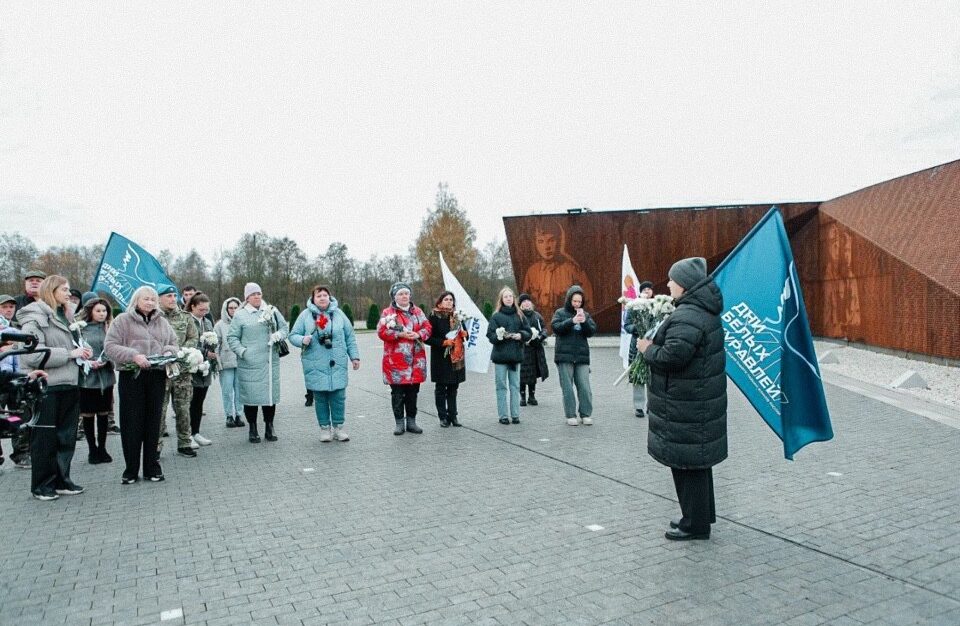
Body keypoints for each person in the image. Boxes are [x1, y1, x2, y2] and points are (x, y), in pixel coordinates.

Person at [636, 257, 726, 541]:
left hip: (687, 405)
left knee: (688, 467)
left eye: (672, 279)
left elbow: (672, 357)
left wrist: (647, 349)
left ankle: (695, 525)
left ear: (685, 284)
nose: (668, 284)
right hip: (694, 403)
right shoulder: (699, 311)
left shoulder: (689, 315)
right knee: (696, 466)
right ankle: (698, 518)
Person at [17, 275, 92, 500]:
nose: (69, 294)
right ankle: (42, 485)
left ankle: (62, 480)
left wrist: (83, 351)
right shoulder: (35, 317)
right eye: (64, 289)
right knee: (45, 438)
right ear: (52, 290)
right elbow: (31, 353)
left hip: (70, 383)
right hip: (46, 386)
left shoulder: (66, 316)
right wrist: (69, 354)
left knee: (66, 437)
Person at [104, 286, 179, 484]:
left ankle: (151, 467)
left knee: (153, 422)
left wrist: (169, 352)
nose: (150, 302)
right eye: (146, 299)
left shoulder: (162, 322)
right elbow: (110, 346)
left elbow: (173, 343)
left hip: (156, 375)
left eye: (153, 299)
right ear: (136, 300)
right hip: (132, 377)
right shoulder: (122, 320)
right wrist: (133, 355)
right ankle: (130, 470)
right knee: (132, 423)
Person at [289, 285, 360, 442]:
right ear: (313, 298)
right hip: (315, 364)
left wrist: (354, 357)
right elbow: (292, 335)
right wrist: (302, 339)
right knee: (320, 398)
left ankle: (339, 428)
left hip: (338, 363)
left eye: (325, 295)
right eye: (318, 295)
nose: (322, 298)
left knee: (338, 397)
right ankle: (324, 429)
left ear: (330, 297)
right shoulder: (305, 316)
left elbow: (350, 336)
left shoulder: (339, 314)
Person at [226, 283, 288, 443]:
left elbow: (284, 327)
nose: (257, 296)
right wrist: (243, 352)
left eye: (259, 293)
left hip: (269, 362)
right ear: (246, 297)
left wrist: (278, 335)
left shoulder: (271, 310)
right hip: (250, 364)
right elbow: (232, 338)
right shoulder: (240, 315)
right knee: (251, 398)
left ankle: (269, 426)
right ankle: (252, 428)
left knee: (270, 397)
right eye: (253, 294)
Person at [377, 282, 431, 436]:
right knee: (398, 394)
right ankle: (399, 423)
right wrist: (398, 334)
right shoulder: (388, 313)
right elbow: (381, 332)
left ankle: (412, 422)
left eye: (406, 293)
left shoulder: (417, 312)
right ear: (395, 297)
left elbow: (428, 327)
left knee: (413, 393)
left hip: (416, 362)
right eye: (400, 294)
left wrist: (419, 334)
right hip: (396, 363)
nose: (404, 296)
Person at [520, 220, 594, 316]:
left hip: (566, 324)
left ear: (559, 240)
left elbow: (588, 304)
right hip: (540, 326)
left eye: (551, 240)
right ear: (535, 243)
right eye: (541, 241)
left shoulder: (573, 270)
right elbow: (523, 303)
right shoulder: (532, 272)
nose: (547, 247)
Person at [157, 286, 198, 457]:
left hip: (181, 371)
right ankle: (156, 447)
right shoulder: (153, 318)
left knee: (183, 408)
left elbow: (193, 337)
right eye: (168, 296)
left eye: (175, 295)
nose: (173, 299)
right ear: (159, 298)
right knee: (159, 411)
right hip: (160, 371)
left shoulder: (185, 317)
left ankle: (184, 442)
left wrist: (180, 353)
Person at [76, 297, 116, 464]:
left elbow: (114, 347)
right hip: (87, 378)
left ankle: (103, 448)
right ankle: (92, 450)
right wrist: (87, 361)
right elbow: (76, 348)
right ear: (90, 311)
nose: (102, 314)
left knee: (103, 414)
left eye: (104, 311)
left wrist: (106, 360)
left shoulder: (110, 328)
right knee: (88, 415)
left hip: (105, 377)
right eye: (98, 310)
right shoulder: (80, 329)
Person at [551, 285, 596, 426]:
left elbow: (591, 331)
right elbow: (556, 328)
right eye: (574, 301)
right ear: (569, 300)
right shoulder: (560, 313)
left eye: (579, 301)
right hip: (564, 356)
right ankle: (570, 415)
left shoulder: (586, 315)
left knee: (584, 385)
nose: (577, 304)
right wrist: (572, 321)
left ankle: (586, 414)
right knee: (567, 387)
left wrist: (584, 323)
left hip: (581, 356)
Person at [486, 287, 531, 425]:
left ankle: (515, 415)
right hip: (500, 357)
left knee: (515, 386)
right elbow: (490, 335)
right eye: (506, 297)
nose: (509, 299)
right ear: (501, 299)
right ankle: (503, 415)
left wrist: (521, 335)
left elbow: (528, 332)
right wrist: (499, 336)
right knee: (501, 386)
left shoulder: (520, 315)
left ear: (514, 299)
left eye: (511, 296)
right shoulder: (496, 316)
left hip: (515, 357)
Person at [425, 291, 468, 427]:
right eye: (446, 299)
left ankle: (453, 416)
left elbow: (465, 335)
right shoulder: (434, 316)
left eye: (451, 299)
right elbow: (427, 338)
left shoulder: (457, 316)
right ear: (439, 302)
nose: (449, 302)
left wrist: (464, 334)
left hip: (456, 358)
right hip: (441, 359)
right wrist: (443, 342)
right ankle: (442, 417)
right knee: (441, 388)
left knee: (453, 388)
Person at [0, 295, 31, 468]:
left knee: (18, 415)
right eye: (5, 307)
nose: (9, 310)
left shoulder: (18, 328)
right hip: (1, 377)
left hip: (15, 377)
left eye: (12, 307)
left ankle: (21, 453)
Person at [187, 292, 216, 447]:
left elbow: (213, 339)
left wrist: (214, 349)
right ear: (193, 306)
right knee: (191, 401)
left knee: (200, 402)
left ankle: (196, 432)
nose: (204, 313)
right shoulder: (187, 321)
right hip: (192, 366)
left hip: (206, 367)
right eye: (201, 310)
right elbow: (188, 342)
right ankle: (188, 434)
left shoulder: (208, 321)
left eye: (206, 310)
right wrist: (205, 352)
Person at [624, 280, 654, 418]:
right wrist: (638, 329)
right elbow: (627, 325)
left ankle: (652, 405)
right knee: (638, 375)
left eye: (649, 289)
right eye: (644, 289)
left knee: (652, 376)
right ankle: (639, 407)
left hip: (653, 345)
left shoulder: (657, 306)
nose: (647, 291)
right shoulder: (633, 307)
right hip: (636, 346)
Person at [214, 297, 244, 428]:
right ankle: (229, 415)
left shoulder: (243, 322)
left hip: (240, 361)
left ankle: (239, 414)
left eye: (235, 307)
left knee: (239, 390)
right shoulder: (219, 325)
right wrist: (217, 361)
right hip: (226, 362)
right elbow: (215, 344)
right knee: (227, 390)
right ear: (226, 309)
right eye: (230, 308)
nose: (232, 310)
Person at [518, 293, 548, 407]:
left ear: (531, 303)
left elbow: (544, 329)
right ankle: (522, 396)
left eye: (528, 301)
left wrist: (540, 337)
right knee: (522, 373)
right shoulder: (518, 316)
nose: (526, 303)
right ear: (520, 305)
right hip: (523, 349)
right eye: (523, 301)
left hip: (535, 348)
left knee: (533, 373)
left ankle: (532, 396)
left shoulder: (537, 316)